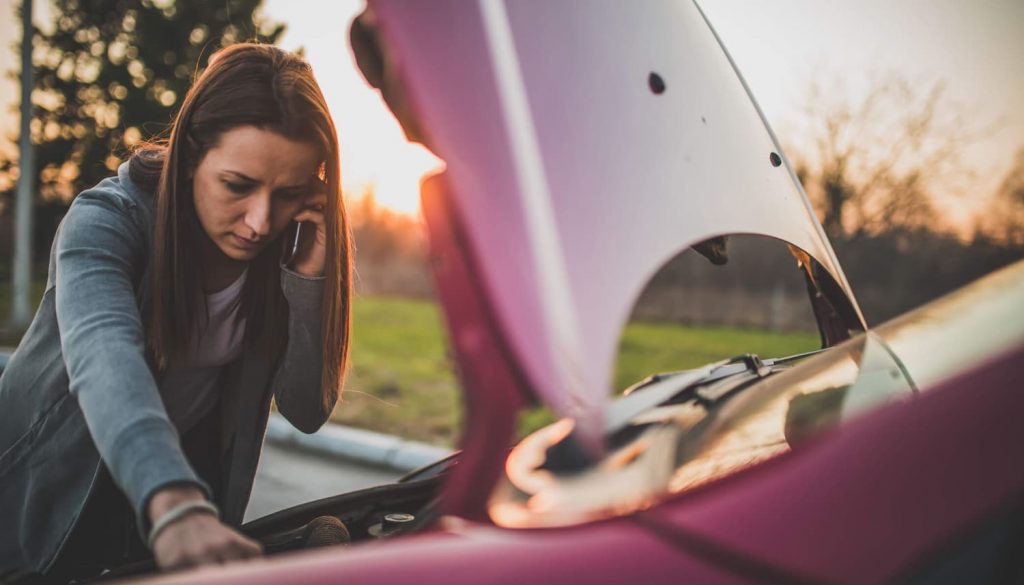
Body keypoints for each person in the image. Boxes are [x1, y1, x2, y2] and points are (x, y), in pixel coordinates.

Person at [0, 43, 351, 581]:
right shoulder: (104, 222)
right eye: (238, 186)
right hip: (45, 502)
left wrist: (307, 277)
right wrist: (175, 501)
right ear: (190, 154)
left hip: (158, 521)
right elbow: (104, 358)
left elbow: (306, 410)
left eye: (289, 194)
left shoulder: (279, 251)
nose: (260, 221)